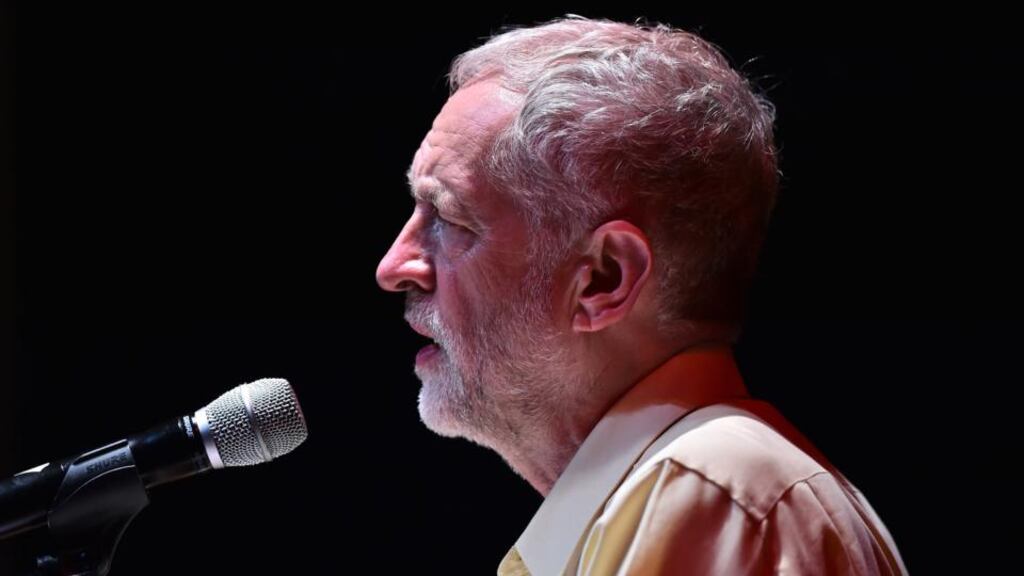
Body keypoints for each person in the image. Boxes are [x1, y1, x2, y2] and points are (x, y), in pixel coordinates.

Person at [376, 16, 906, 575]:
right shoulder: (682, 490)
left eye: (450, 217)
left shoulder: (707, 492)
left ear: (604, 279)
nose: (394, 266)